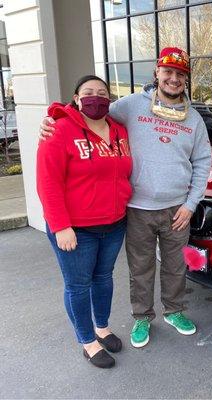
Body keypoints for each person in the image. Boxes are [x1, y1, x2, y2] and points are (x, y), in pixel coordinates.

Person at [40, 47, 212, 348]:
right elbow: (88, 116)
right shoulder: (130, 105)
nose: (173, 79)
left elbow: (203, 162)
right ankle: (142, 317)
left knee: (175, 266)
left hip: (177, 209)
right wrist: (53, 119)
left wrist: (190, 204)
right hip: (136, 209)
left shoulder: (194, 119)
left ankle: (174, 311)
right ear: (157, 73)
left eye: (180, 75)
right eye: (168, 72)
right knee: (141, 268)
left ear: (185, 80)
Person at [37, 75, 133, 368]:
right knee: (78, 286)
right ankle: (87, 341)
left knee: (104, 279)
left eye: (102, 93)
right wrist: (60, 225)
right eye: (88, 93)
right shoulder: (59, 130)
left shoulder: (119, 130)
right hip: (75, 230)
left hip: (114, 223)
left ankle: (102, 328)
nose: (96, 97)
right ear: (76, 98)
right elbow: (47, 182)